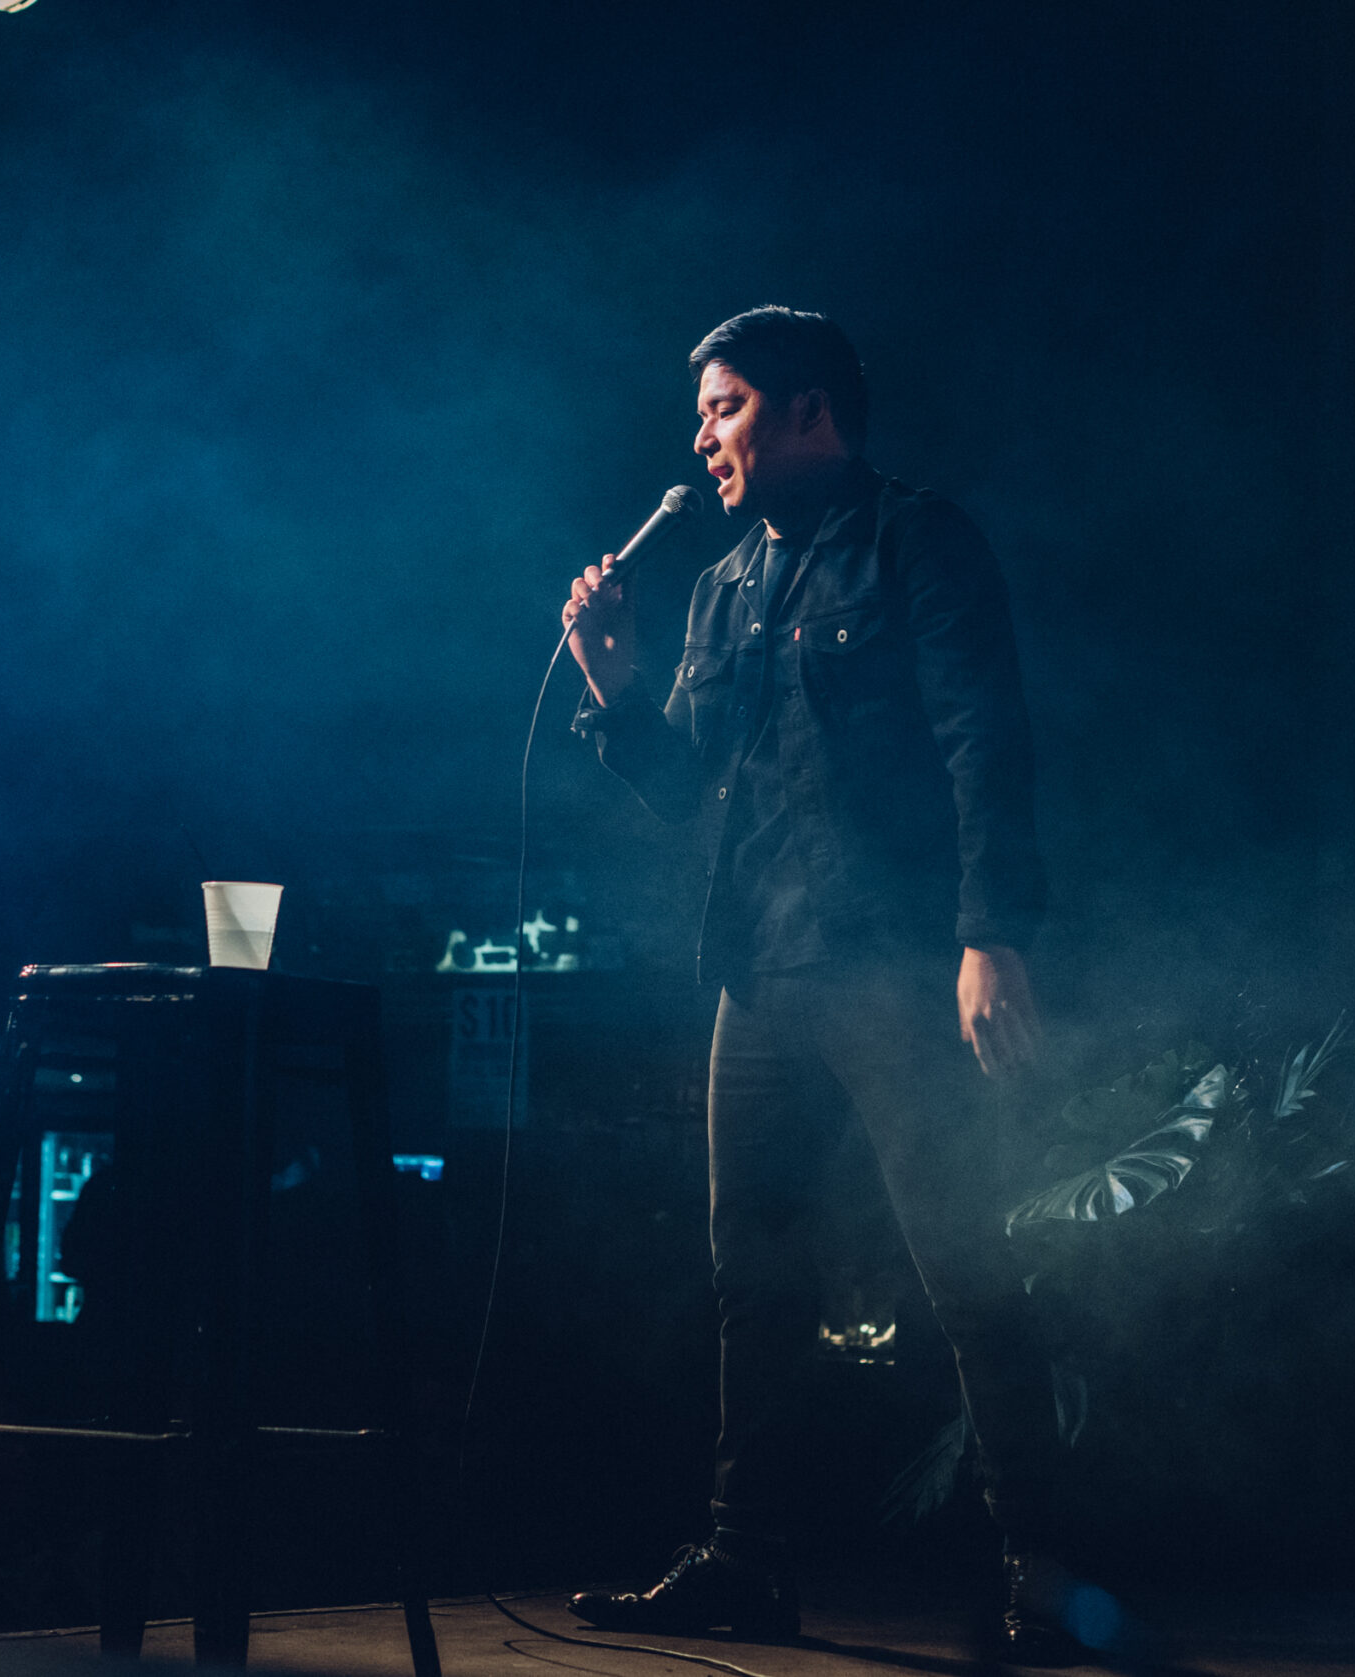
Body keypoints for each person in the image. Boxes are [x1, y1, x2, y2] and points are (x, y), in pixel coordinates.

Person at [560, 307, 1075, 1661]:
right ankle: (746, 1562)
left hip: (898, 962)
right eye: (704, 416)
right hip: (762, 974)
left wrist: (992, 934)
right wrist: (613, 685)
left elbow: (984, 741)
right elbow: (682, 792)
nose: (703, 439)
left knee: (961, 1261)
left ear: (809, 414)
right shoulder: (727, 586)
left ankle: (1050, 1568)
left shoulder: (920, 543)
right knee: (752, 1276)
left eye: (725, 409)